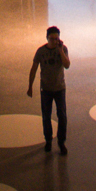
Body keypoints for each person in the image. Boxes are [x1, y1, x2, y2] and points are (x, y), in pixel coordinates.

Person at [27, 24, 70, 152]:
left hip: (59, 88)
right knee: (46, 116)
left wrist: (60, 50)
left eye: (56, 39)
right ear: (47, 38)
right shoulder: (41, 52)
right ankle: (48, 140)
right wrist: (30, 86)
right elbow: (34, 69)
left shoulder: (63, 49)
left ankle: (61, 142)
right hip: (46, 89)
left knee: (62, 115)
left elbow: (67, 65)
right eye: (52, 39)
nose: (54, 41)